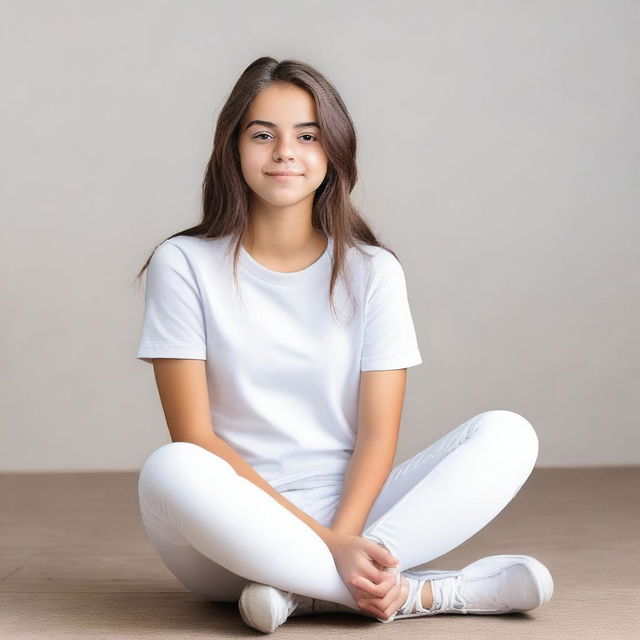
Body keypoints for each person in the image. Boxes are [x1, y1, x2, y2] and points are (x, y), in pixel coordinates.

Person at [134, 56, 554, 633]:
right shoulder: (183, 263)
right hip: (232, 529)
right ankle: (422, 592)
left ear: (333, 151)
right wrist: (325, 542)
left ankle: (305, 593)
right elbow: (196, 436)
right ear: (232, 148)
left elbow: (378, 436)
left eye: (307, 136)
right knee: (170, 468)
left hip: (359, 515)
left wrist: (346, 536)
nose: (285, 152)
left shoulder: (372, 271)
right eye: (263, 135)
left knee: (509, 434)